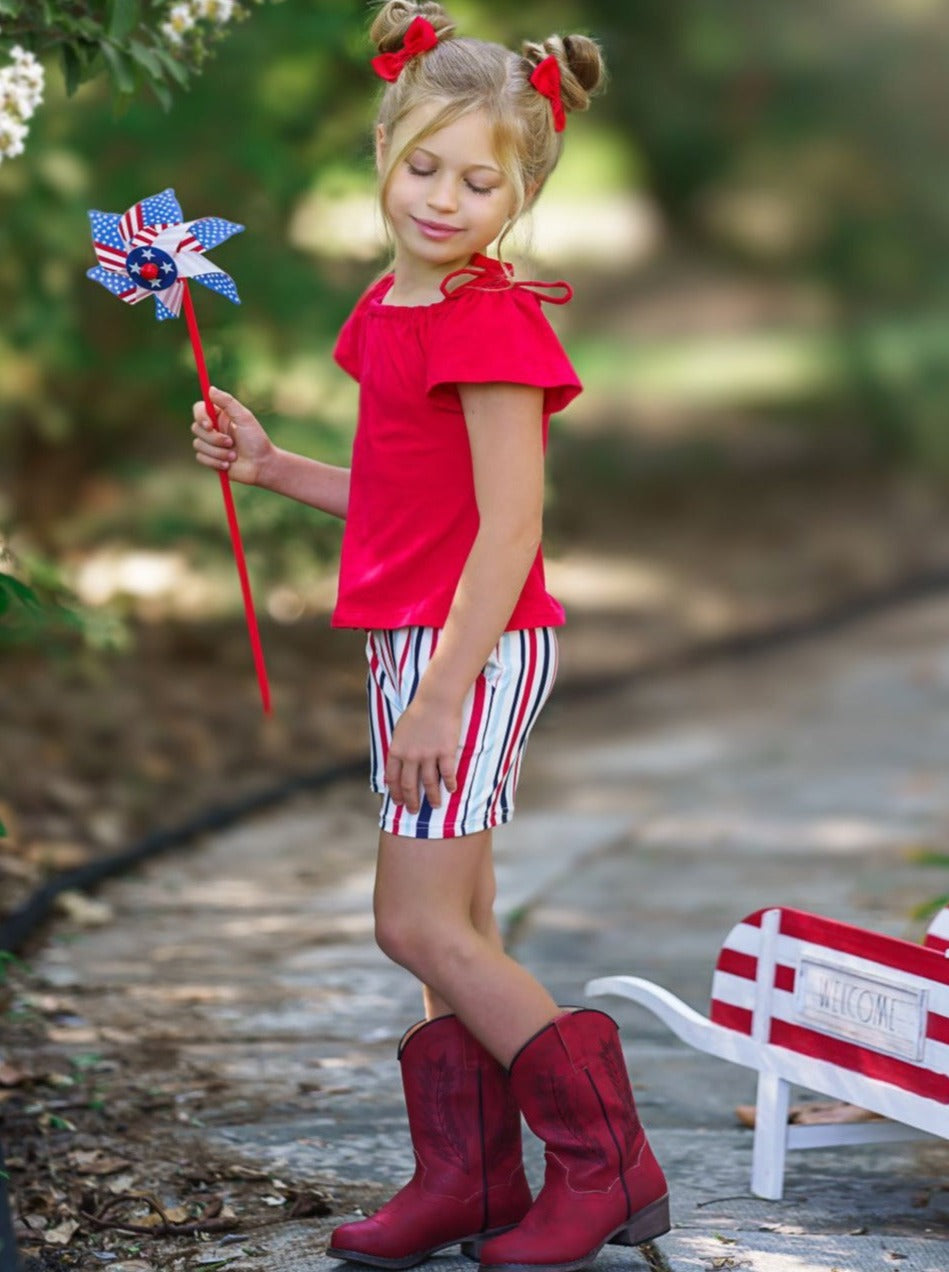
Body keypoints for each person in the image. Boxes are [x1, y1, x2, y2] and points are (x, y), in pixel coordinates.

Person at [191, 3, 669, 1269]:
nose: (444, 198)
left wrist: (445, 688)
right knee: (458, 925)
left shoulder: (490, 322)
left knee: (418, 926)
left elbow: (508, 531)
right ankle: (467, 1177)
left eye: (480, 180)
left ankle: (607, 1164)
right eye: (424, 166)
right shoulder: (391, 309)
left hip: (469, 644)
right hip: (420, 639)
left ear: (521, 193)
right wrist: (273, 462)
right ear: (385, 149)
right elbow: (408, 498)